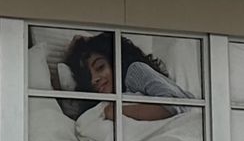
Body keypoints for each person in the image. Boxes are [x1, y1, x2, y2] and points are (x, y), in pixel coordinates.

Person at [62, 32, 193, 121]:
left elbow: (173, 107)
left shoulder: (135, 71)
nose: (94, 79)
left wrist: (116, 111)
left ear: (118, 61)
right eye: (88, 76)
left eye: (100, 67)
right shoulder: (100, 101)